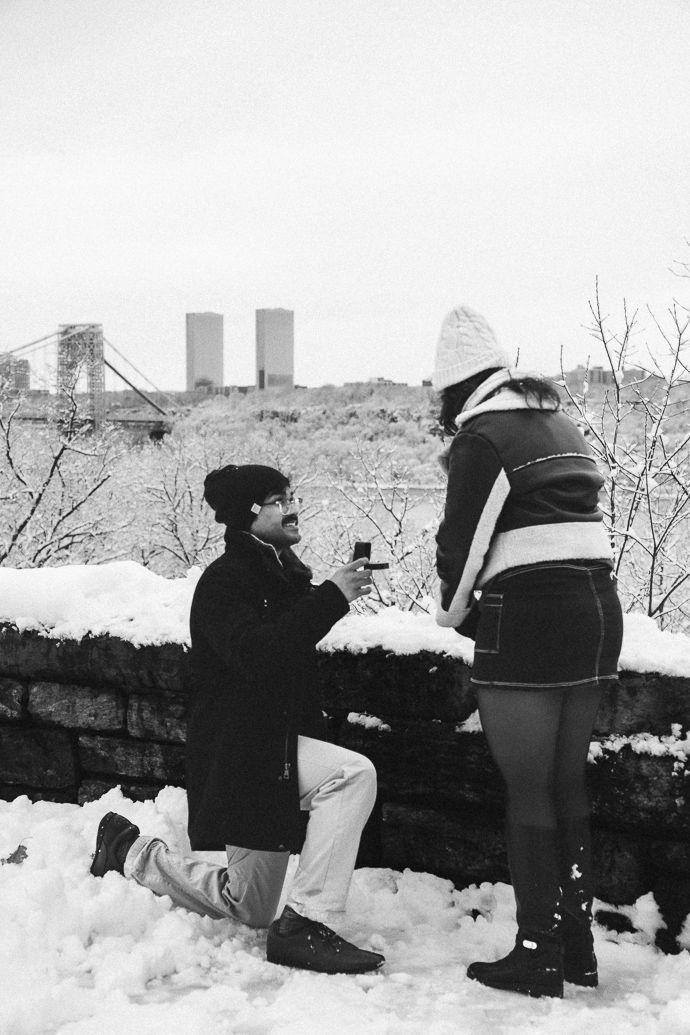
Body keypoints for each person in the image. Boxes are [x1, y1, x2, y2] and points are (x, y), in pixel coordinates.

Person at [91, 463, 384, 975]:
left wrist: (327, 595)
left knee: (248, 906)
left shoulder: (284, 577)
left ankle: (130, 852)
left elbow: (289, 642)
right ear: (248, 515)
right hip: (245, 753)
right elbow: (258, 653)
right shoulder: (224, 581)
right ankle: (307, 924)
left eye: (290, 495)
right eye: (276, 499)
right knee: (352, 773)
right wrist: (331, 597)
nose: (291, 507)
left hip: (276, 749)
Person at [432, 306, 623, 999]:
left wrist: (460, 617)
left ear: (455, 387)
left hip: (532, 621)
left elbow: (461, 548)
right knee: (567, 783)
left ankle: (537, 951)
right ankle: (577, 947)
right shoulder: (557, 421)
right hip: (597, 614)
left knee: (527, 789)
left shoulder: (483, 437)